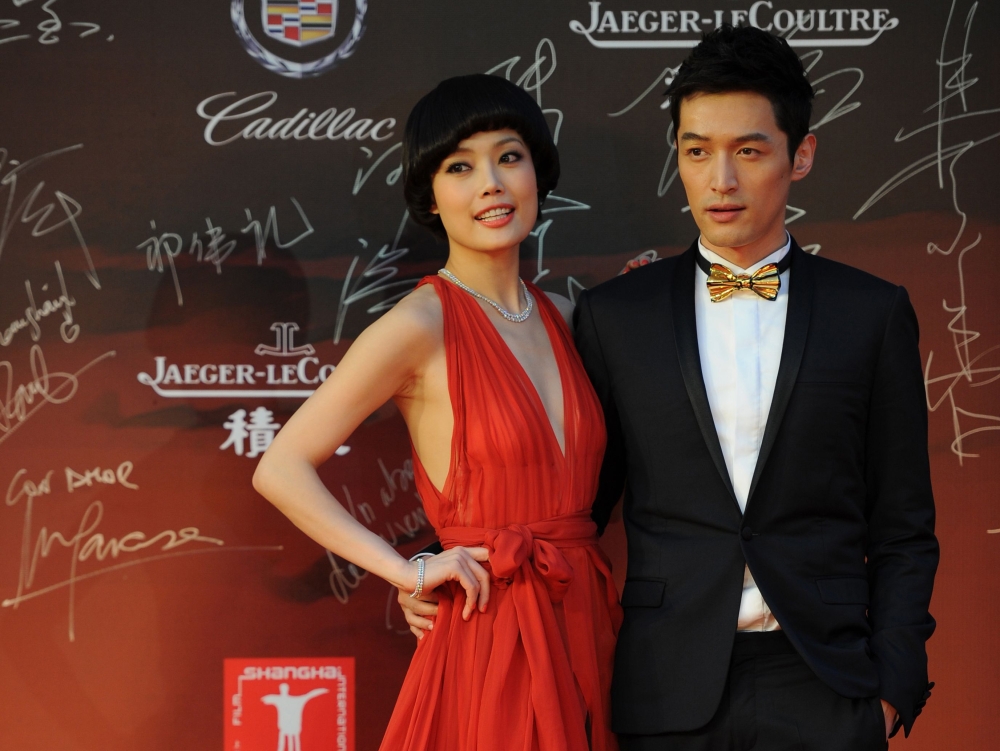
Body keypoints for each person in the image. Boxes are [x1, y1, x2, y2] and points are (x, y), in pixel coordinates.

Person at [402, 25, 939, 751]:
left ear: (800, 154)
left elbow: (904, 525)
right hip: (664, 690)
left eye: (747, 150)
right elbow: (568, 508)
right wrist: (448, 565)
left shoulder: (871, 314)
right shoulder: (617, 316)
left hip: (829, 687)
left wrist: (892, 687)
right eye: (697, 151)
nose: (721, 179)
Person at [253, 74, 622, 751]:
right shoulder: (418, 324)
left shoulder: (568, 319)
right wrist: (408, 569)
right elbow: (281, 466)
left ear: (538, 171)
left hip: (589, 628)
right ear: (430, 195)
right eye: (461, 166)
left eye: (509, 156)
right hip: (493, 635)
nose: (491, 182)